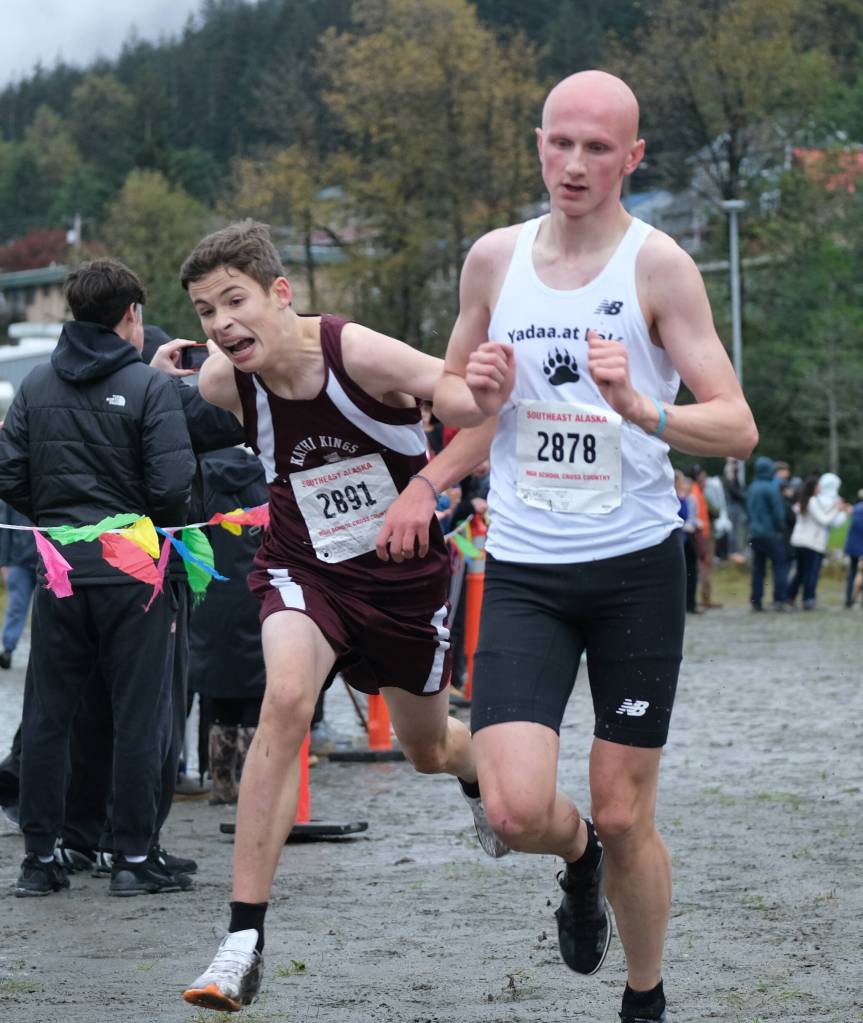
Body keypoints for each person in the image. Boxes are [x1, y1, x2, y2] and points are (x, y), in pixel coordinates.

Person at [433, 70, 757, 1023]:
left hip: (633, 571)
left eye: (597, 148)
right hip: (527, 568)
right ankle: (576, 865)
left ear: (632, 158)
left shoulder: (658, 267)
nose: (573, 165)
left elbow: (735, 425)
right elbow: (449, 398)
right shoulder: (492, 261)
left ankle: (643, 999)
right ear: (537, 141)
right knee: (511, 808)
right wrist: (467, 406)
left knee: (624, 811)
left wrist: (642, 408)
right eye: (559, 143)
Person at [175, 221, 501, 1013]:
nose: (220, 323)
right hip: (302, 565)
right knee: (284, 700)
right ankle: (241, 940)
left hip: (400, 581)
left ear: (279, 293)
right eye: (204, 310)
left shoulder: (359, 354)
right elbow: (187, 381)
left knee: (429, 748)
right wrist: (168, 367)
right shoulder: (225, 383)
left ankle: (474, 776)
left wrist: (441, 460)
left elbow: (481, 412)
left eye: (234, 301)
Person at [0, 259, 197, 898]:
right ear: (131, 315)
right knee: (142, 716)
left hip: (58, 570)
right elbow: (171, 489)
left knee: (50, 713)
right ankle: (135, 857)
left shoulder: (33, 384)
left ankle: (42, 857)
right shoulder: (148, 387)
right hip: (134, 572)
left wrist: (62, 518)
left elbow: (7, 475)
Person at [786, 472, 848, 610]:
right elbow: (823, 520)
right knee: (810, 573)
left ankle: (789, 597)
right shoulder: (812, 501)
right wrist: (837, 509)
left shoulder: (804, 500)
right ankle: (808, 599)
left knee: (801, 572)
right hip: (811, 543)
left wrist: (834, 508)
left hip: (800, 541)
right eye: (819, 485)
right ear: (813, 487)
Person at [745, 456, 789, 612]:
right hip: (770, 533)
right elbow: (777, 513)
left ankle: (756, 601)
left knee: (758, 568)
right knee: (780, 565)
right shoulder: (771, 488)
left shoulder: (752, 487)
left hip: (754, 533)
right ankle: (780, 599)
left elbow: (748, 511)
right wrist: (781, 528)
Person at [0, 500, 38, 669]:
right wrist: (4, 562)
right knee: (16, 607)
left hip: (47, 562)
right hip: (18, 562)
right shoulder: (10, 495)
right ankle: (8, 649)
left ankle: (43, 654)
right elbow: (4, 529)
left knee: (47, 610)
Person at [843, 489, 863, 608]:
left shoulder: (856, 508)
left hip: (853, 547)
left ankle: (849, 598)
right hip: (860, 546)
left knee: (852, 573)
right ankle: (854, 598)